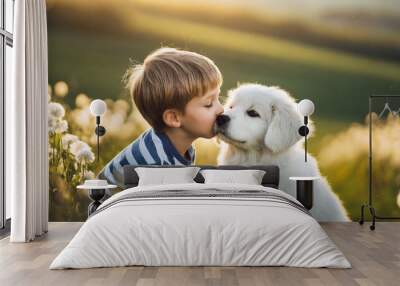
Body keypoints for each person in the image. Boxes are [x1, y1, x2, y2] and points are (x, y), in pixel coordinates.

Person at [97, 47, 224, 189]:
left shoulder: (182, 148)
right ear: (174, 118)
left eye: (218, 97)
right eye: (208, 104)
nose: (220, 109)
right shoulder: (155, 165)